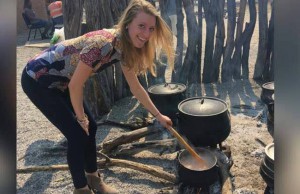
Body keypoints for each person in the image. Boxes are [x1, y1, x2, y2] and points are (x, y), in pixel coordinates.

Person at [21, 0, 175, 193]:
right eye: (141, 26)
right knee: (77, 134)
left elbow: (136, 88)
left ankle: (93, 179)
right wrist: (80, 118)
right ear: (128, 23)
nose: (146, 34)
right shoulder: (102, 44)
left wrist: (158, 116)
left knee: (91, 127)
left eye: (151, 29)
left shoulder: (125, 46)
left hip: (62, 81)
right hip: (37, 79)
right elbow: (77, 85)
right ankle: (81, 188)